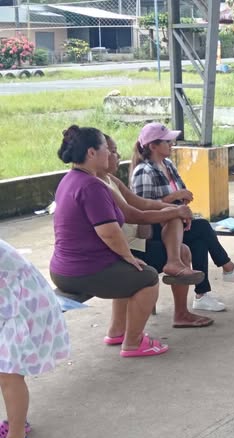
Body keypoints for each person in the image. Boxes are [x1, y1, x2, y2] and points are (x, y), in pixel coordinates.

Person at [50, 125, 168, 357]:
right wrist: (129, 257)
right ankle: (133, 342)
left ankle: (118, 332)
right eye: (106, 148)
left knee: (128, 273)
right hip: (83, 271)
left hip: (62, 269)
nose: (111, 153)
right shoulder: (92, 186)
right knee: (147, 277)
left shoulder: (70, 179)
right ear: (91, 152)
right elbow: (109, 232)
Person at [129, 122, 234, 312]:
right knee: (203, 227)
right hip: (155, 229)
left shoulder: (168, 165)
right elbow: (143, 208)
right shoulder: (143, 171)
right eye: (167, 142)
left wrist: (183, 203)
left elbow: (181, 194)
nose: (171, 144)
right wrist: (174, 199)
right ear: (153, 146)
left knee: (199, 240)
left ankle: (202, 294)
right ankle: (226, 268)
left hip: (175, 225)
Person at [99, 135, 212, 328]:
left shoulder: (110, 179)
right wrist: (173, 209)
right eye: (112, 151)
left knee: (184, 233)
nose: (117, 156)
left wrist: (175, 209)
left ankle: (181, 301)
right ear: (93, 153)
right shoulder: (99, 185)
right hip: (124, 249)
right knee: (187, 240)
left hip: (134, 240)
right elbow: (135, 214)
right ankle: (128, 333)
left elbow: (142, 203)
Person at [0, 238, 70, 438]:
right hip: (11, 301)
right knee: (6, 371)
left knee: (9, 373)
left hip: (23, 306)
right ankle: (16, 421)